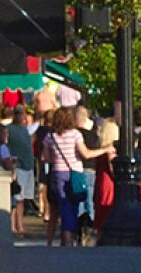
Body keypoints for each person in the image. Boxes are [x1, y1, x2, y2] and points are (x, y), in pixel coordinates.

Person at [39, 106, 114, 247]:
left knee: (63, 203)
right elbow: (85, 153)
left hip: (57, 174)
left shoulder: (50, 136)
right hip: (74, 172)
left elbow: (46, 157)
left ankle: (67, 234)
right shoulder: (75, 134)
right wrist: (104, 150)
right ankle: (68, 234)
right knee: (74, 203)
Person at [6, 105, 38, 236]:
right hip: (17, 167)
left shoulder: (25, 129)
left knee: (22, 199)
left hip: (27, 166)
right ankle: (13, 225)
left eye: (22, 113)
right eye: (18, 113)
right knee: (15, 198)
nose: (21, 116)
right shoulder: (9, 129)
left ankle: (20, 224)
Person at [92, 118, 120, 232]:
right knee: (107, 207)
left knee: (100, 209)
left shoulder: (101, 148)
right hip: (108, 183)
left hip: (100, 180)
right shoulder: (110, 149)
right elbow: (112, 168)